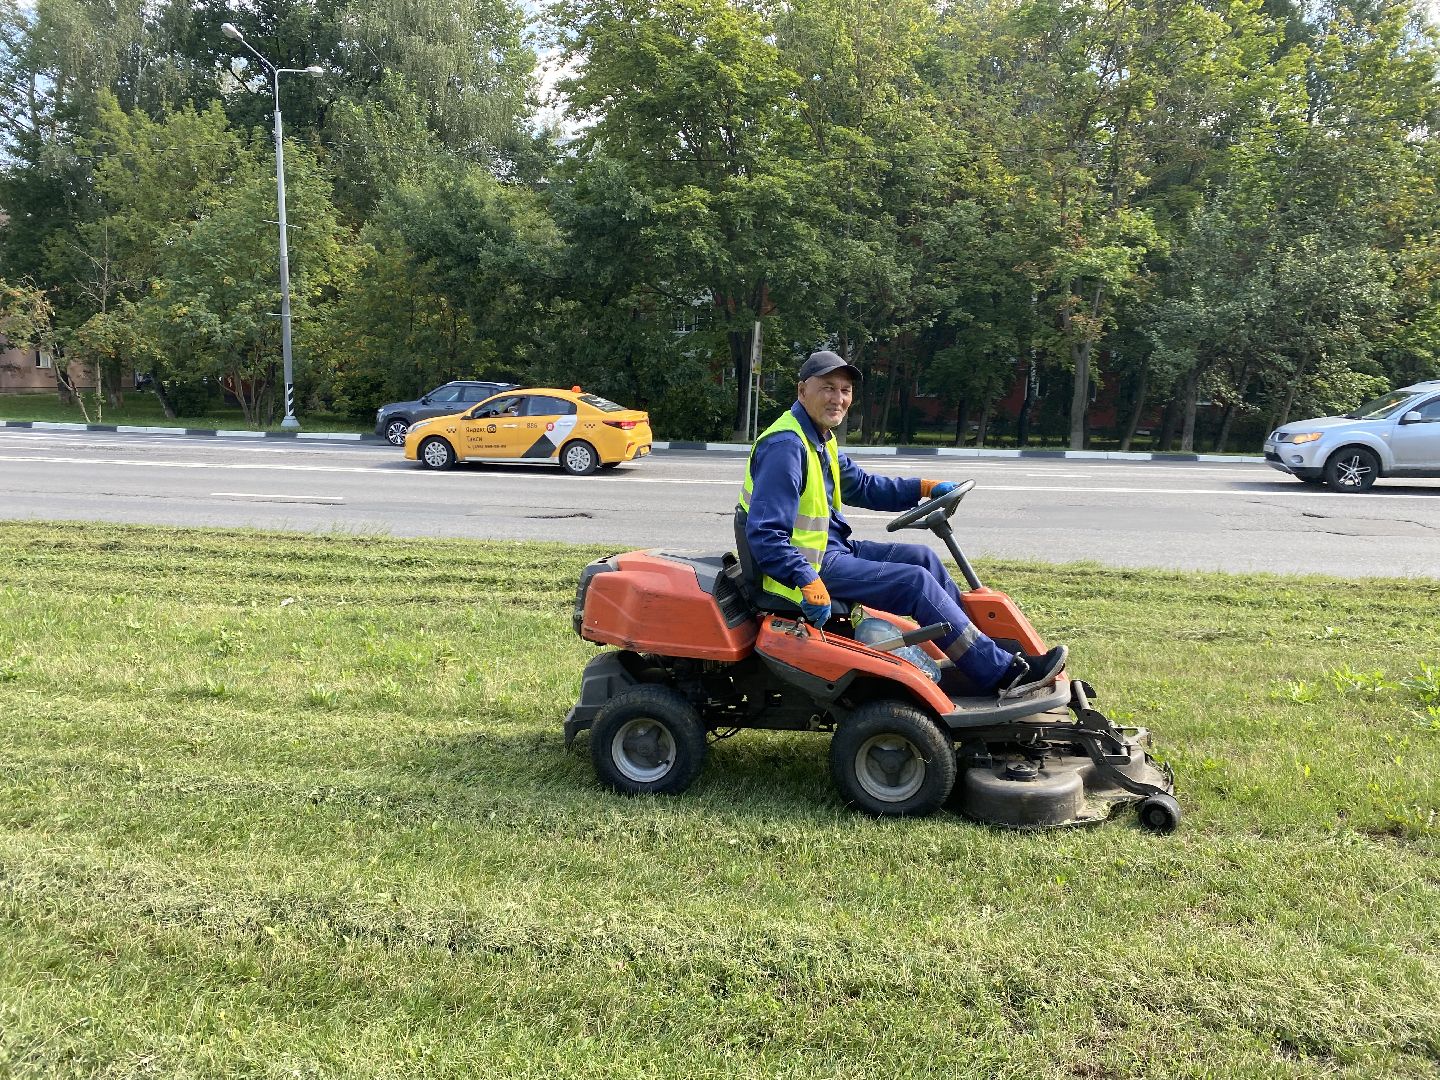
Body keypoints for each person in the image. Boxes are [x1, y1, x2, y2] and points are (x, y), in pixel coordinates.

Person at [737, 349, 1068, 698]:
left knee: (923, 558)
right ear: (803, 390)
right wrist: (805, 578)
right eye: (828, 388)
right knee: (914, 583)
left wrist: (923, 488)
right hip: (806, 566)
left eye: (845, 390)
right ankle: (1001, 673)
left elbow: (862, 486)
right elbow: (766, 534)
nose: (838, 398)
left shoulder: (818, 438)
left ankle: (980, 657)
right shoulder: (786, 446)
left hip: (829, 550)